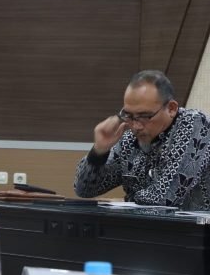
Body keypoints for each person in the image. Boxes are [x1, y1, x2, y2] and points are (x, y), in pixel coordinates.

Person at [74, 69, 210, 209]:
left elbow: (164, 198)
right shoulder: (129, 139)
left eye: (145, 116)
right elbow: (84, 190)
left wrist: (127, 201)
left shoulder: (195, 124)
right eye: (129, 115)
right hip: (145, 222)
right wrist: (99, 152)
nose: (136, 126)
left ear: (171, 108)